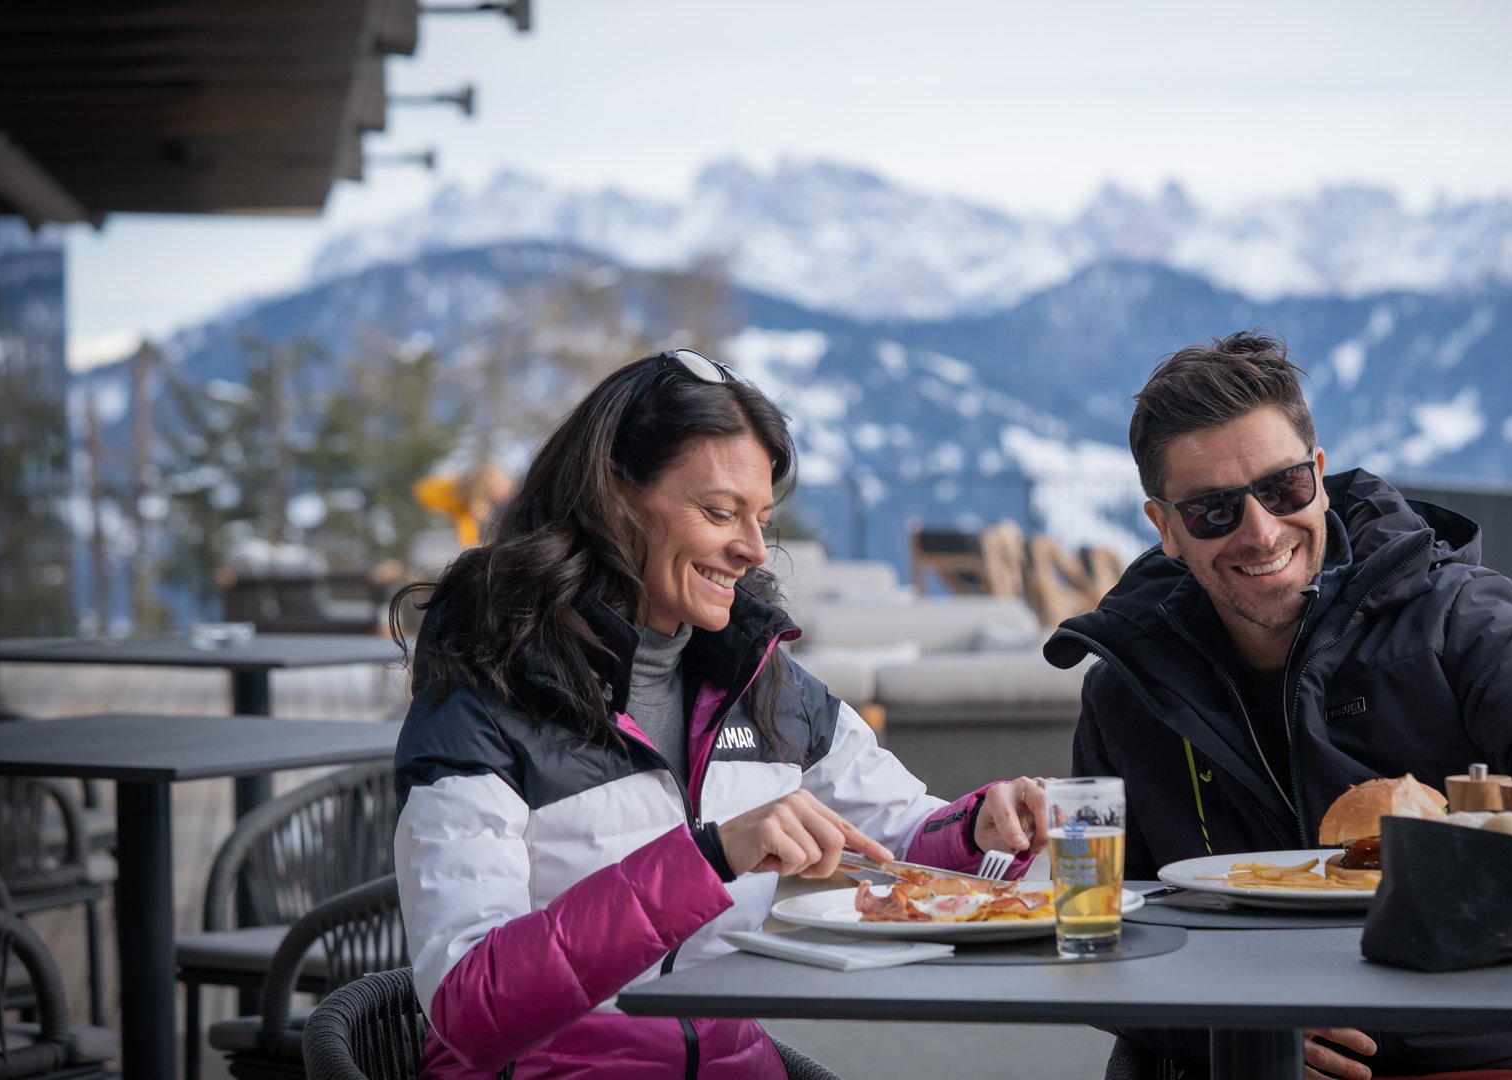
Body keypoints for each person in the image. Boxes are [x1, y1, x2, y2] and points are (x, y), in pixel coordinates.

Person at [1043, 331, 1512, 1080]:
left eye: (1283, 488)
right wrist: (1220, 1029)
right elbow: (1096, 930)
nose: (1261, 531)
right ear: (1165, 527)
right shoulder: (1127, 692)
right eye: (1213, 511)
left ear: (1319, 477)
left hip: (1480, 1050)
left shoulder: (1454, 613)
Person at [390, 348, 1048, 1079]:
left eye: (762, 518)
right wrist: (707, 858)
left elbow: (896, 843)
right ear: (613, 499)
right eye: (719, 513)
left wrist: (980, 826)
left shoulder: (758, 678)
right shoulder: (487, 694)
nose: (753, 548)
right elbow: (471, 1006)